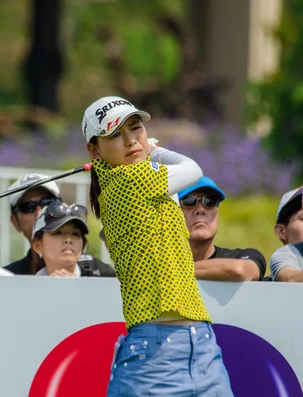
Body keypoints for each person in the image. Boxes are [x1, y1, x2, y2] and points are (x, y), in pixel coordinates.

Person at [84, 96, 233, 396]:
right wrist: (154, 150)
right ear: (94, 150)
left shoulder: (142, 182)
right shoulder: (129, 178)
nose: (130, 141)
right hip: (155, 354)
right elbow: (192, 169)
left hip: (201, 344)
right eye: (115, 135)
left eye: (135, 129)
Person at [5, 173, 114, 276]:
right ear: (15, 221)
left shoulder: (101, 273)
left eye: (48, 202)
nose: (39, 212)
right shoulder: (7, 277)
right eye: (28, 207)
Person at [178, 176, 267, 281]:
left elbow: (239, 271)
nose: (201, 209)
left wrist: (175, 271)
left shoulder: (242, 256)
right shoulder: (158, 259)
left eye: (210, 201)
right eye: (189, 201)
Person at [31, 202, 115, 277]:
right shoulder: (26, 286)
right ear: (37, 246)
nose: (68, 240)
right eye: (58, 233)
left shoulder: (105, 275)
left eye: (75, 234)